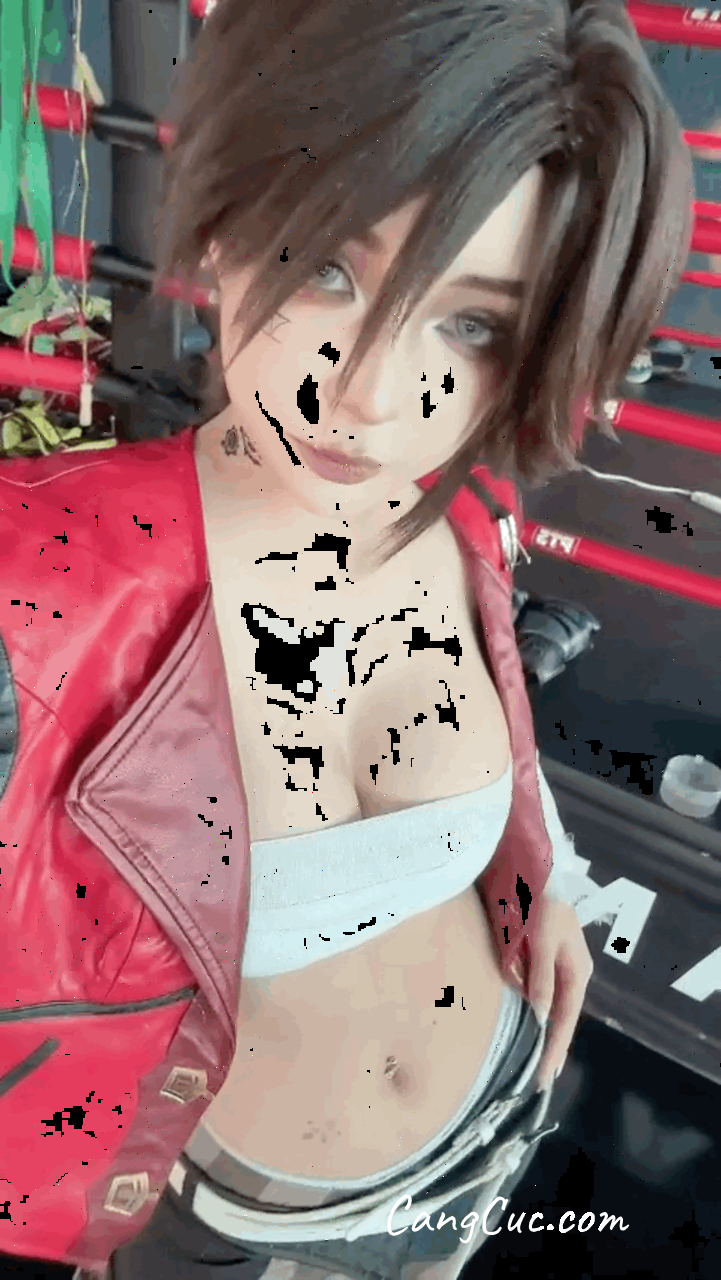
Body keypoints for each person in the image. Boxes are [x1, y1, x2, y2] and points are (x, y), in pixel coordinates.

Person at [1, 2, 692, 1279]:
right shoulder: (34, 590)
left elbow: (501, 732)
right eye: (327, 265)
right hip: (229, 1219)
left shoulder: (460, 513)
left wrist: (535, 872)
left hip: (496, 1110)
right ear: (226, 217)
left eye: (473, 324)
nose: (372, 395)